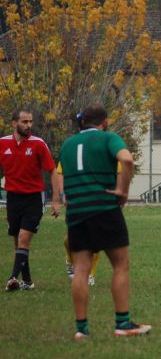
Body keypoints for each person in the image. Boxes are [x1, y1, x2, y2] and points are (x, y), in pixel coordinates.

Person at [59, 103, 150, 339]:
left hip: (77, 212)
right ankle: (123, 324)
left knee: (81, 269)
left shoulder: (67, 145)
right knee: (120, 264)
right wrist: (123, 190)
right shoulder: (108, 138)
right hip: (104, 208)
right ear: (105, 122)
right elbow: (127, 160)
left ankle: (81, 329)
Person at [1, 109, 60, 291]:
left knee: (24, 238)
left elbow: (52, 171)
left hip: (34, 198)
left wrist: (56, 200)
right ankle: (27, 281)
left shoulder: (38, 144)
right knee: (18, 242)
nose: (28, 125)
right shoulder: (2, 143)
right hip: (13, 198)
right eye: (24, 122)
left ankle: (12, 279)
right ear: (14, 123)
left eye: (30, 122)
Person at [60, 112, 100, 286]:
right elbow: (60, 172)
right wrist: (62, 194)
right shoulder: (72, 146)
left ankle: (89, 272)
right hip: (76, 198)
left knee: (96, 237)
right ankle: (70, 260)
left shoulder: (104, 144)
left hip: (97, 197)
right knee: (71, 238)